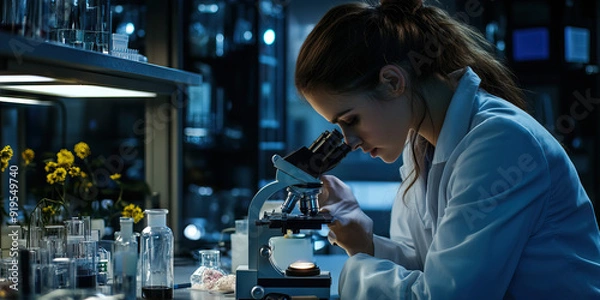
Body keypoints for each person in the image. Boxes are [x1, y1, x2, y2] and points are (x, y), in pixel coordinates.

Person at [294, 0, 600, 299]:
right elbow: (432, 267)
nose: (349, 141)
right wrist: (365, 245)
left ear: (392, 82)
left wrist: (353, 272)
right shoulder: (420, 146)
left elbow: (448, 294)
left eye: (351, 119)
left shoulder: (500, 142)